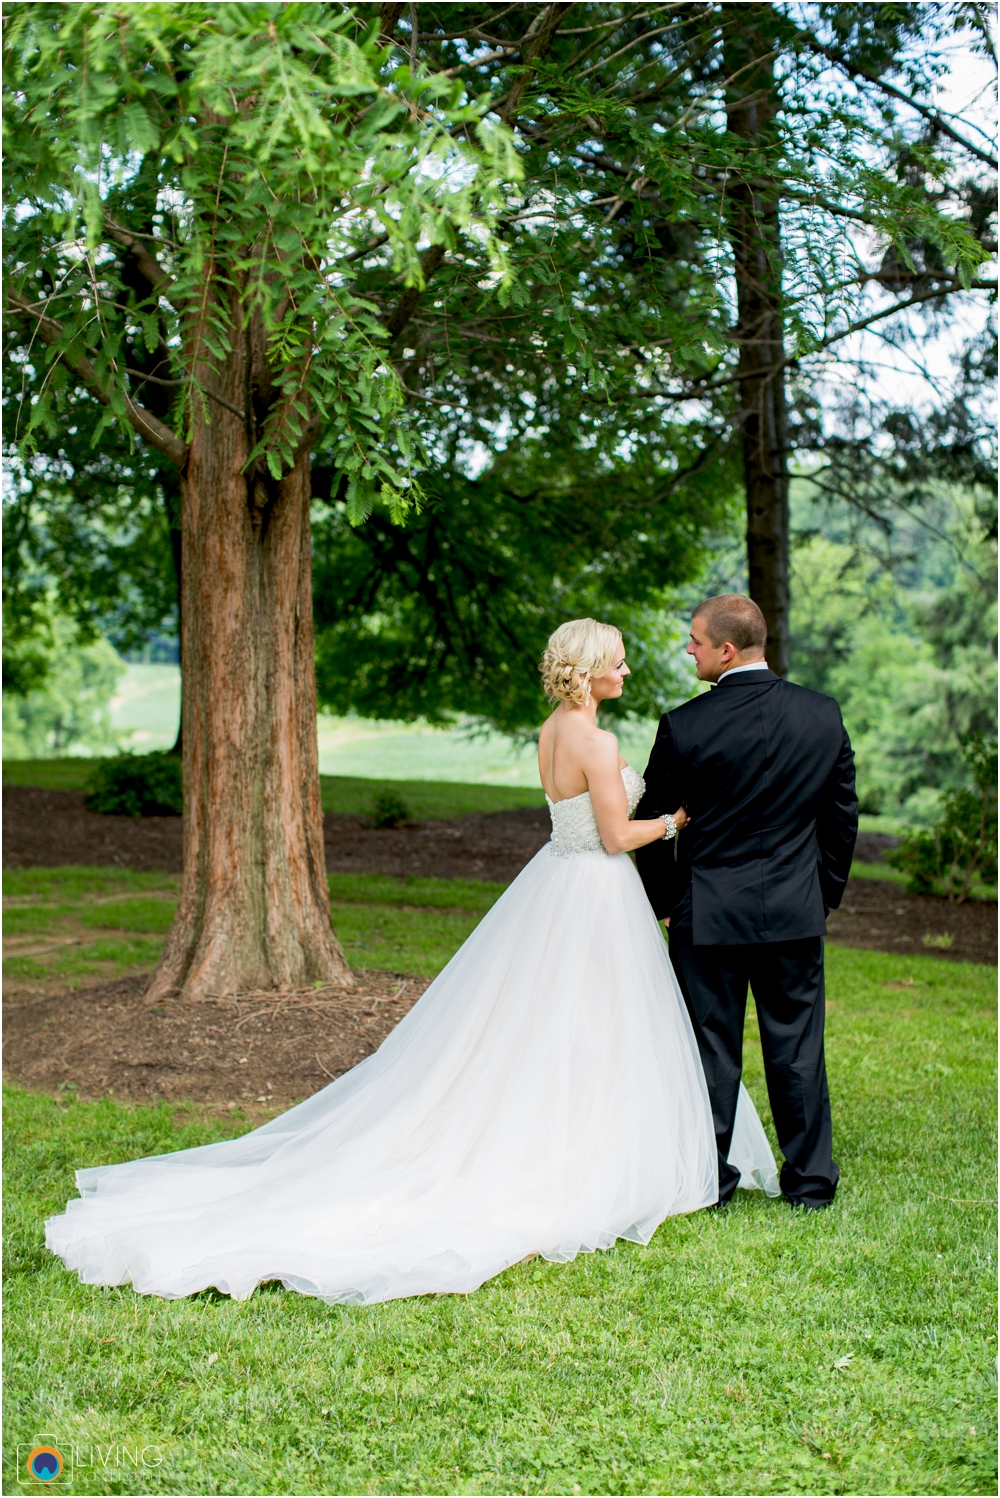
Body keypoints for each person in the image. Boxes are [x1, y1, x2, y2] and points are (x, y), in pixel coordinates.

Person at [46, 619, 777, 1307]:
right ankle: (587, 1155)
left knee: (549, 1023)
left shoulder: (554, 730)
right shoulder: (595, 738)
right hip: (594, 890)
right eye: (615, 659)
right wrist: (674, 821)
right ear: (588, 671)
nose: (625, 668)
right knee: (591, 1024)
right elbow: (616, 836)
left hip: (555, 880)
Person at [636, 595, 858, 1210]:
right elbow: (841, 817)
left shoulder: (685, 724)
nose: (689, 650)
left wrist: (665, 903)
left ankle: (713, 1181)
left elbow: (653, 820)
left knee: (709, 1047)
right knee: (798, 1048)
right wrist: (822, 894)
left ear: (726, 650)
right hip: (793, 909)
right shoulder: (822, 714)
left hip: (706, 914)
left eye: (696, 641)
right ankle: (811, 1183)